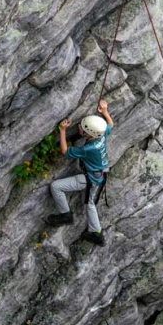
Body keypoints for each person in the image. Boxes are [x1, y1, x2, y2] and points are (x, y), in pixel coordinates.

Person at [46, 99, 113, 246]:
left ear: (89, 134)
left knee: (56, 186)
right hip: (101, 173)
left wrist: (63, 131)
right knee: (90, 204)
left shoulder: (88, 149)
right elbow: (110, 125)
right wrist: (104, 111)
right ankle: (97, 234)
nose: (79, 127)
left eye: (82, 127)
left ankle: (66, 215)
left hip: (91, 178)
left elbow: (65, 151)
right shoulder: (101, 134)